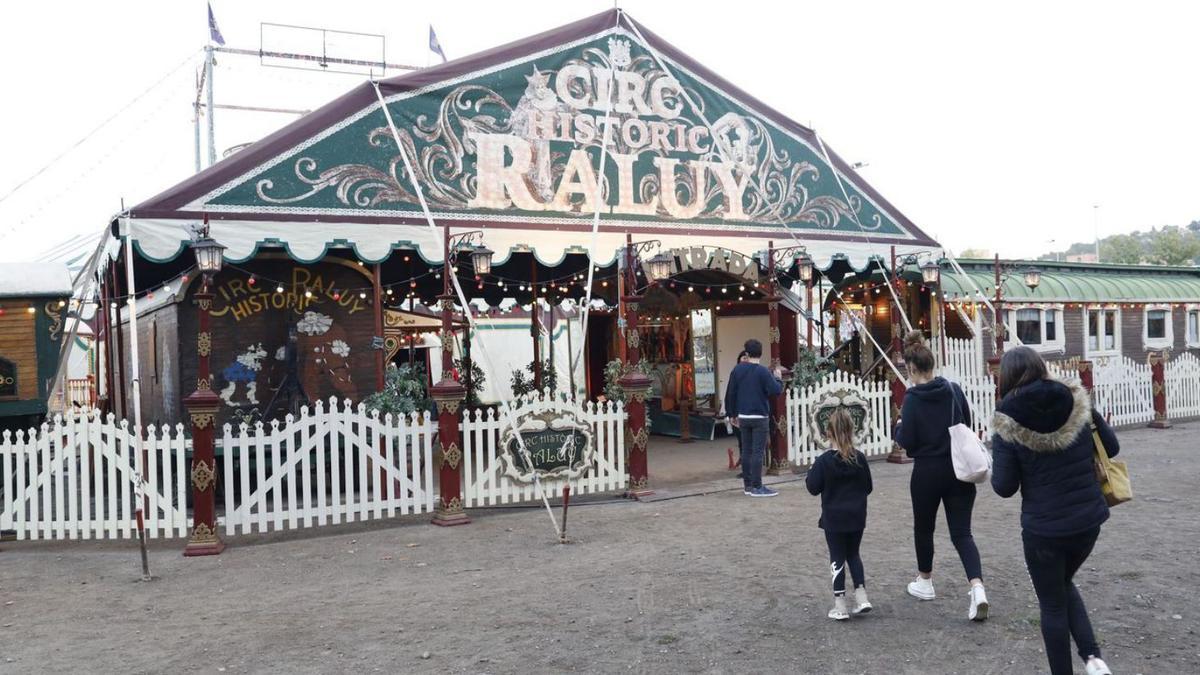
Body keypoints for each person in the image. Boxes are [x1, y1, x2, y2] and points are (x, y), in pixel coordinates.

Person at [991, 347, 1117, 675]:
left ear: (1005, 378)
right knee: (1061, 583)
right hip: (1088, 520)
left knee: (1052, 603)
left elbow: (1004, 486)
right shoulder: (1075, 399)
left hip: (1044, 530)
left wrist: (997, 454)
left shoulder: (1006, 419)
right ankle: (1093, 658)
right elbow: (1112, 447)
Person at [894, 330, 989, 621]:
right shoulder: (953, 389)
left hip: (927, 471)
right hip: (958, 469)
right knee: (962, 532)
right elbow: (967, 423)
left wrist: (898, 426)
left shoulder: (912, 399)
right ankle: (977, 587)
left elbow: (906, 441)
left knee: (924, 528)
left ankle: (925, 581)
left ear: (911, 369)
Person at [806, 408, 873, 620]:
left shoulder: (824, 461)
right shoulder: (860, 458)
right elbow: (868, 487)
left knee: (837, 557)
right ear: (852, 430)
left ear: (828, 433)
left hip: (834, 518)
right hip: (856, 516)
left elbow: (812, 487)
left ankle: (840, 603)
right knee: (854, 554)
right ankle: (862, 596)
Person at [724, 339, 783, 497]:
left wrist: (731, 413)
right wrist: (778, 377)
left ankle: (748, 485)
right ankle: (757, 486)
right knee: (758, 452)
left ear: (747, 353)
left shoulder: (737, 370)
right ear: (761, 353)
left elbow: (731, 392)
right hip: (760, 415)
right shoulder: (763, 372)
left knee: (747, 450)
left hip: (743, 415)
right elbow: (776, 390)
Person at [728, 350, 750, 479]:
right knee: (743, 442)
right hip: (738, 414)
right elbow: (730, 394)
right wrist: (731, 413)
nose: (745, 360)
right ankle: (745, 469)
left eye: (748, 358)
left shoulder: (755, 373)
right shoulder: (735, 373)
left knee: (750, 444)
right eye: (743, 357)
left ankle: (750, 469)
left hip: (751, 414)